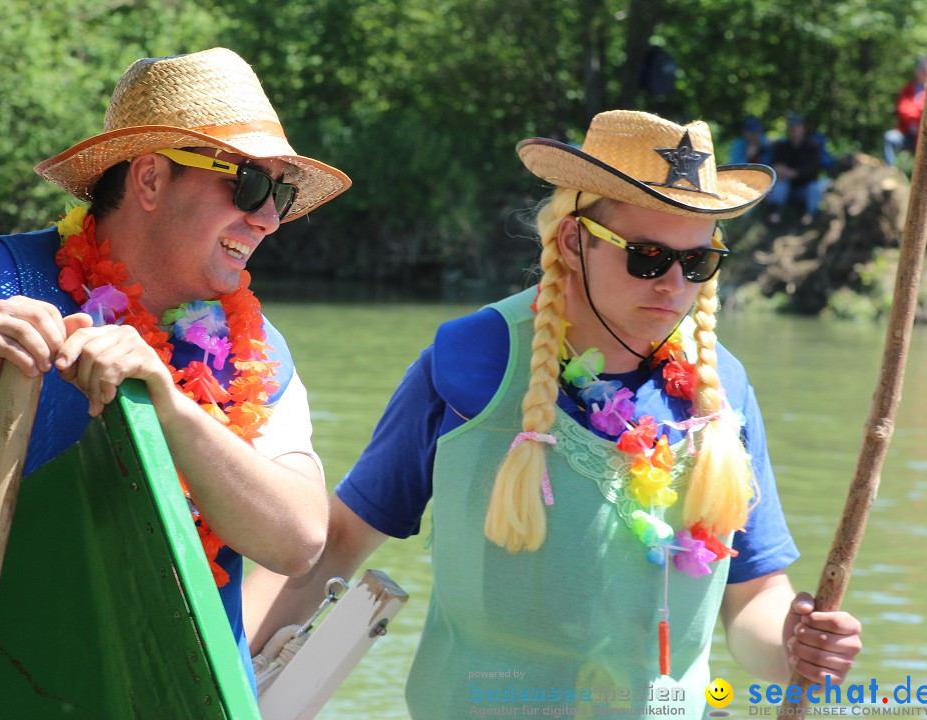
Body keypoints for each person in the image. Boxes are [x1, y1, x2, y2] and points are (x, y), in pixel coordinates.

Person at [244, 110, 862, 717]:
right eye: (647, 257)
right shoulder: (470, 359)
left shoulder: (723, 389)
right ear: (573, 240)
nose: (673, 284)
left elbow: (753, 599)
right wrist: (218, 664)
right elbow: (338, 545)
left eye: (697, 263)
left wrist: (795, 646)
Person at [0, 47, 350, 688]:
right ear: (148, 179)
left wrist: (170, 410)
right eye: (249, 183)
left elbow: (301, 541)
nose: (268, 218)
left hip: (174, 694)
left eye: (280, 193)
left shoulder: (259, 353)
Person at [766, 113, 829, 225]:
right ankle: (774, 214)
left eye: (796, 127)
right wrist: (790, 173)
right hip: (787, 190)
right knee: (780, 185)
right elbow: (776, 168)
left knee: (814, 187)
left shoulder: (812, 147)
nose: (793, 130)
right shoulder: (782, 147)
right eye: (791, 128)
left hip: (804, 189)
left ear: (803, 128)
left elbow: (813, 170)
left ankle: (811, 215)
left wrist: (794, 173)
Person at [883, 56, 927, 166]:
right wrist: (920, 112)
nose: (926, 74)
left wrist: (917, 110)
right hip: (908, 135)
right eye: (923, 70)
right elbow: (903, 110)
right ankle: (889, 173)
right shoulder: (908, 88)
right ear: (916, 72)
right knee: (889, 137)